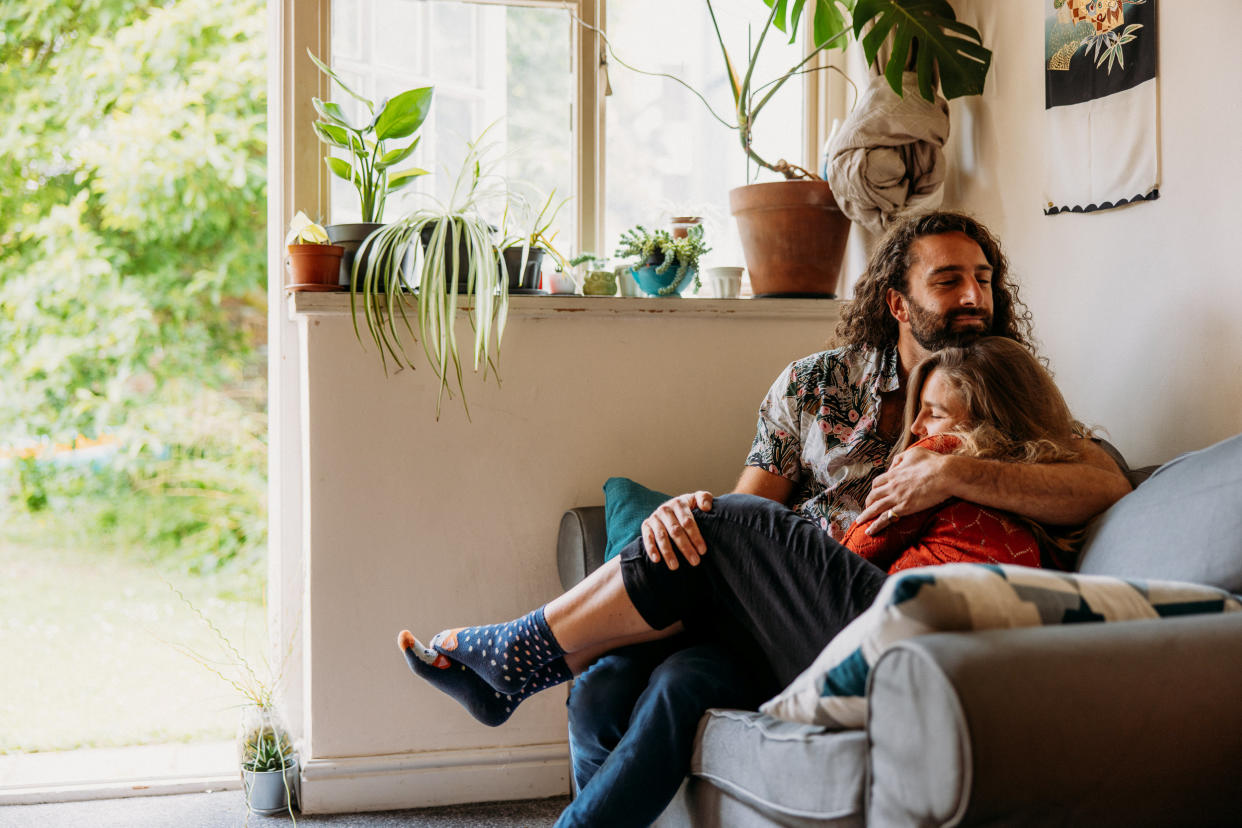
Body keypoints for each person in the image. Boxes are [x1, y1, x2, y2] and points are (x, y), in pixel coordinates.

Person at [549, 211, 1130, 828]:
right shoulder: (814, 385)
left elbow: (1104, 481)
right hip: (779, 609)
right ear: (898, 303)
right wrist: (686, 516)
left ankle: (534, 646)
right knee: (615, 688)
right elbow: (749, 515)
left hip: (860, 617)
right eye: (949, 279)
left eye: (985, 280)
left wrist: (952, 474)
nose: (973, 297)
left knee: (670, 664)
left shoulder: (1000, 390)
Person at [395, 337, 1106, 818]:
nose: (917, 431)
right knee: (661, 678)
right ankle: (535, 675)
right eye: (916, 414)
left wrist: (944, 467)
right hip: (852, 628)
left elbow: (1105, 483)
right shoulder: (930, 470)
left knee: (728, 519)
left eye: (934, 415)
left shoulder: (993, 478)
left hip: (895, 642)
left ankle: (519, 653)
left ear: (994, 421)